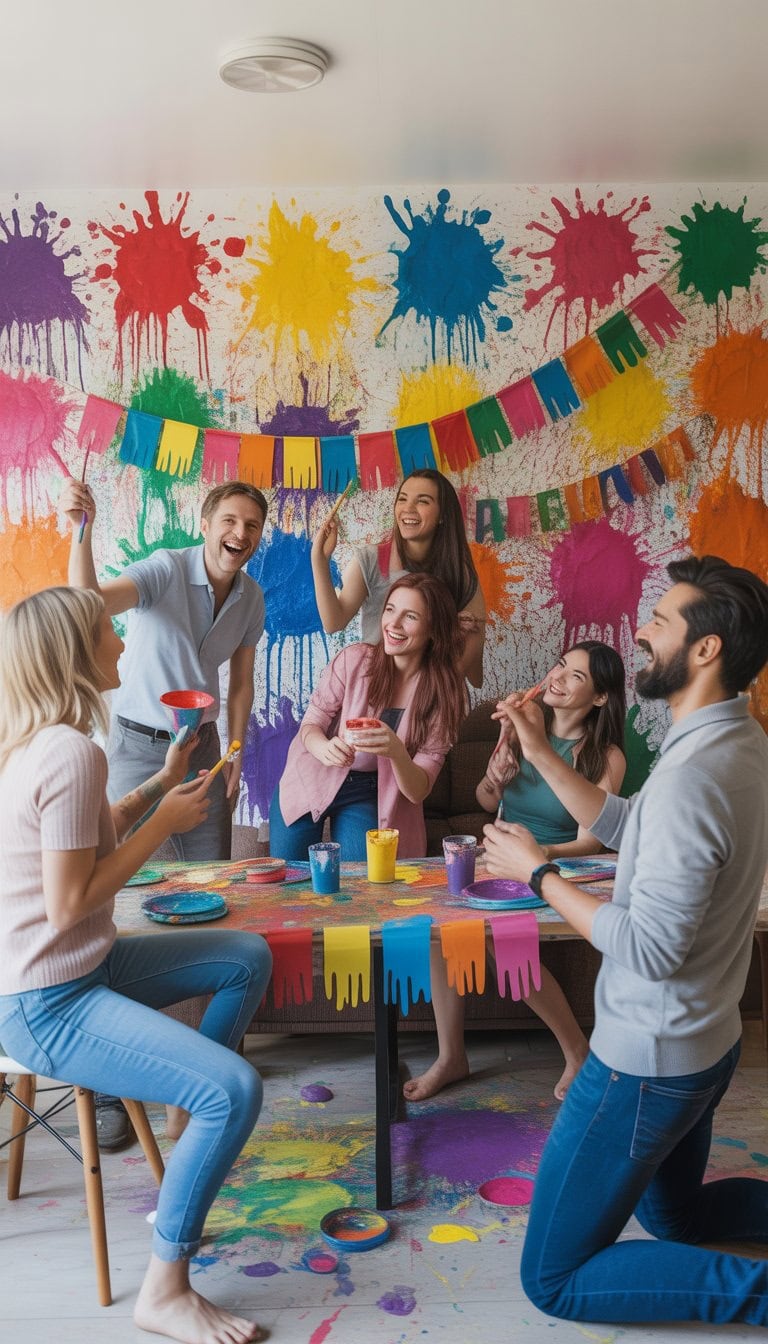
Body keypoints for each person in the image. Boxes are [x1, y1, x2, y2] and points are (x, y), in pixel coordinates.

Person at [485, 555, 768, 1328]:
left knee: (555, 1277)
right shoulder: (736, 737)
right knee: (677, 1222)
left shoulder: (693, 777)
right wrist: (539, 749)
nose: (641, 632)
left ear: (705, 650)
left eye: (662, 621)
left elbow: (647, 949)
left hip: (646, 1063)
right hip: (707, 1044)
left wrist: (539, 875)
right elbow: (628, 823)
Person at [0, 587, 272, 1344]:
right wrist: (165, 825)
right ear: (75, 654)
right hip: (48, 1001)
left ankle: (189, 1119)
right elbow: (69, 901)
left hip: (86, 967)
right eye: (106, 633)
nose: (122, 644)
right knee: (236, 1090)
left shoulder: (40, 742)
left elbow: (92, 834)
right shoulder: (70, 750)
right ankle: (165, 1290)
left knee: (244, 956)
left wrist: (161, 780)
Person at [60, 477, 267, 1148]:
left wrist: (235, 745)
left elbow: (240, 679)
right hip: (136, 744)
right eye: (230, 519)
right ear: (206, 524)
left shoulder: (252, 596)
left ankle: (206, 1060)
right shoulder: (163, 569)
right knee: (117, 900)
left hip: (202, 745)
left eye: (252, 525)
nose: (241, 533)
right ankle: (114, 1090)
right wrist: (82, 531)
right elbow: (86, 602)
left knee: (212, 894)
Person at [404, 640, 626, 1104]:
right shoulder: (521, 729)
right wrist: (495, 779)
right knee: (441, 927)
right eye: (560, 666)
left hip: (554, 864)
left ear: (601, 698)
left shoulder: (605, 756)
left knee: (491, 935)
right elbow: (487, 801)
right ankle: (451, 1058)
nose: (559, 678)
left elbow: (591, 840)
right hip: (499, 859)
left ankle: (576, 1052)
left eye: (577, 677)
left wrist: (533, 855)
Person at [270, 572, 467, 861]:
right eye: (390, 610)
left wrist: (397, 751)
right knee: (288, 879)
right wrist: (324, 748)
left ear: (434, 629)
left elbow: (418, 791)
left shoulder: (443, 695)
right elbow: (311, 724)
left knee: (362, 884)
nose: (393, 625)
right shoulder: (354, 660)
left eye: (410, 616)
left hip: (369, 790)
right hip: (312, 773)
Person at [311, 467, 487, 687]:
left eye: (422, 501)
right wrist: (319, 559)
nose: (408, 509)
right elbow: (333, 622)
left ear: (443, 515)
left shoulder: (460, 573)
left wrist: (431, 693)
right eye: (402, 499)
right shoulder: (371, 559)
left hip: (432, 698)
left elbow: (473, 665)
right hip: (376, 690)